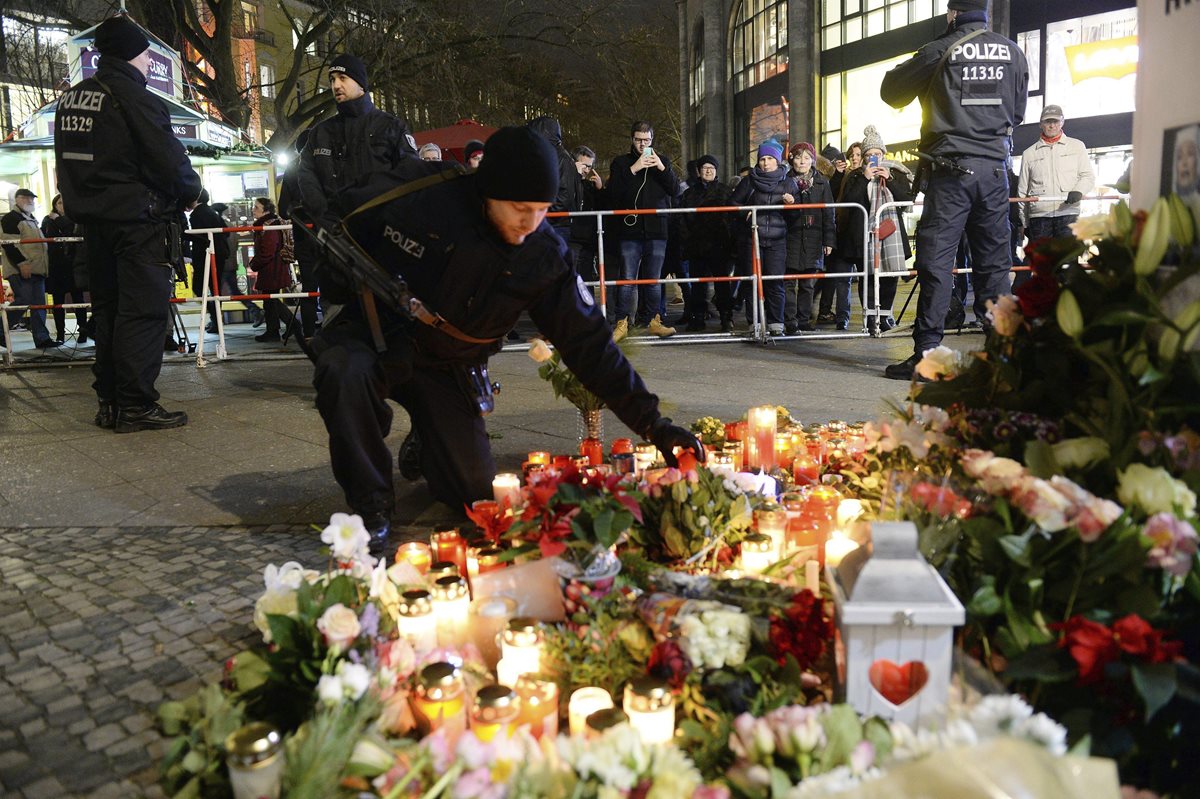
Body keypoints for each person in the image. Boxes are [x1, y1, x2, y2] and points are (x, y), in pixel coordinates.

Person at [310, 127, 704, 554]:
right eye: (520, 208)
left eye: (541, 210)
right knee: (343, 374)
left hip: (448, 366)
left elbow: (590, 344)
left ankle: (432, 443)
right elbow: (338, 225)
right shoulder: (420, 197)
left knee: (475, 496)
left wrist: (654, 425)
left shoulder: (543, 255)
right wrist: (349, 284)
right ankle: (371, 510)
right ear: (487, 191)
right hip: (374, 339)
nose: (530, 223)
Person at [55, 15, 202, 429]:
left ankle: (111, 403)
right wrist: (192, 190)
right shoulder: (137, 98)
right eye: (145, 53)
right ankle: (136, 404)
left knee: (108, 312)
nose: (148, 61)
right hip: (139, 223)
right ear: (134, 54)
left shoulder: (73, 99)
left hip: (94, 224)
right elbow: (168, 159)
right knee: (141, 314)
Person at [880, 0, 1028, 380]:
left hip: (950, 175)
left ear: (952, 13)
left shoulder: (941, 48)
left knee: (936, 264)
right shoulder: (1012, 51)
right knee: (994, 267)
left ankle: (928, 357)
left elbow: (891, 92)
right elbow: (1018, 113)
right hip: (995, 172)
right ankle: (1001, 357)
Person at [296, 54, 418, 225]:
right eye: (332, 80)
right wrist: (324, 216)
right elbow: (307, 176)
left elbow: (411, 174)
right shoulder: (320, 132)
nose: (336, 85)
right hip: (334, 237)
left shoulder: (391, 127)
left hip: (381, 233)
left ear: (360, 83)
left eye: (342, 78)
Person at [839, 126, 915, 332]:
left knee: (890, 275)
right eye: (869, 155)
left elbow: (907, 200)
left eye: (877, 154)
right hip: (863, 235)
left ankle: (885, 316)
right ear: (864, 157)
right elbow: (849, 201)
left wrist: (889, 179)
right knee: (869, 277)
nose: (873, 157)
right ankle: (871, 317)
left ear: (883, 154)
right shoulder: (855, 176)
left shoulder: (895, 173)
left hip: (891, 234)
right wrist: (864, 178)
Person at [607, 121, 678, 339]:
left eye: (646, 140)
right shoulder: (621, 163)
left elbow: (675, 190)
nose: (642, 144)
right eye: (638, 140)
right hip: (630, 230)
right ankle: (622, 323)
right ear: (632, 139)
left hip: (657, 230)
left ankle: (654, 320)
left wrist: (662, 168)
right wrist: (634, 169)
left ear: (652, 140)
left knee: (654, 279)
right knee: (627, 279)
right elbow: (613, 194)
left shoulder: (662, 162)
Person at [731, 139, 797, 335]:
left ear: (777, 161)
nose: (765, 163)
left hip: (777, 241)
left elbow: (796, 216)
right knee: (753, 282)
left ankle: (776, 324)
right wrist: (745, 212)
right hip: (752, 240)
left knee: (775, 282)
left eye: (769, 158)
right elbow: (732, 204)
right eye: (762, 159)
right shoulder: (749, 181)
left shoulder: (788, 182)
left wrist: (792, 204)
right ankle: (755, 324)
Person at [1017, 105, 1095, 245]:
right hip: (1039, 217)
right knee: (1041, 264)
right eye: (1047, 122)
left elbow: (1088, 176)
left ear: (1062, 122)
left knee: (1068, 262)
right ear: (1041, 124)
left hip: (1068, 213)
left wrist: (1079, 190)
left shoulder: (1077, 146)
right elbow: (1022, 191)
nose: (1052, 125)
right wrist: (1025, 223)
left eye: (1055, 121)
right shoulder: (1029, 153)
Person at [680, 155, 735, 333]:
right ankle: (697, 317)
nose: (709, 171)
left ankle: (726, 317)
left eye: (712, 167)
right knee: (698, 284)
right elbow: (682, 218)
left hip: (719, 243)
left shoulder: (725, 191)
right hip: (697, 244)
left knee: (722, 283)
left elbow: (731, 217)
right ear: (699, 171)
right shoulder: (689, 193)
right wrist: (688, 238)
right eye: (705, 168)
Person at [784, 143, 835, 333]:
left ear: (812, 160)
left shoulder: (822, 183)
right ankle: (789, 320)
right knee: (788, 281)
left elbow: (829, 213)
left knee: (808, 282)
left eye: (806, 157)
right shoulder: (785, 181)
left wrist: (829, 240)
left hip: (814, 236)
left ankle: (803, 319)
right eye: (798, 157)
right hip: (791, 237)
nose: (802, 161)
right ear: (791, 160)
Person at [2, 189, 58, 349]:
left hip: (37, 269)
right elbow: (9, 244)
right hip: (21, 269)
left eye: (32, 199)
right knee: (23, 301)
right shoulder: (11, 218)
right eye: (27, 198)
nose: (30, 201)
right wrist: (21, 263)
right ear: (18, 199)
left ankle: (42, 338)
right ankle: (0, 330)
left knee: (39, 304)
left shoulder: (31, 219)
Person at [248, 198, 297, 343]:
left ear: (266, 210)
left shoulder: (268, 226)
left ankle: (289, 325)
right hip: (273, 267)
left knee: (271, 299)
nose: (253, 209)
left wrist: (254, 264)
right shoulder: (269, 224)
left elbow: (268, 250)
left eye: (256, 207)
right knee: (270, 300)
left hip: (272, 268)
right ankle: (274, 330)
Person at [42, 194, 87, 344]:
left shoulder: (74, 219)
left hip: (73, 265)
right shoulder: (47, 220)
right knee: (58, 302)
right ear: (55, 205)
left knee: (78, 300)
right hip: (56, 266)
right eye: (59, 203)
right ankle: (60, 334)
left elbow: (71, 231)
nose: (62, 205)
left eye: (64, 202)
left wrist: (58, 219)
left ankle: (83, 331)